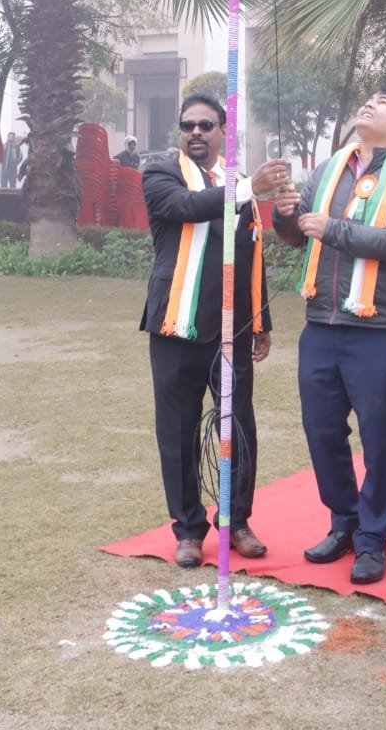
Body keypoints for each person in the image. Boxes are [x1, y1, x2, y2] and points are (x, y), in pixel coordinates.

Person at [273, 86, 386, 585]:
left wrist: (333, 228)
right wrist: (285, 216)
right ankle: (343, 522)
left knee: (380, 439)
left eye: (383, 102)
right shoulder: (330, 168)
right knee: (321, 432)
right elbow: (299, 236)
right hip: (321, 322)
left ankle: (373, 539)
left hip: (376, 327)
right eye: (369, 98)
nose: (369, 103)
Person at [140, 93, 291, 567]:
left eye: (206, 125)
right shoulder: (160, 173)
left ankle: (237, 521)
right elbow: (186, 207)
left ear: (223, 131)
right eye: (188, 125)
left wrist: (260, 321)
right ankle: (188, 529)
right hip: (176, 324)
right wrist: (247, 187)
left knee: (237, 426)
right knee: (177, 432)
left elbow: (251, 253)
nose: (195, 133)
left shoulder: (235, 182)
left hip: (231, 328)